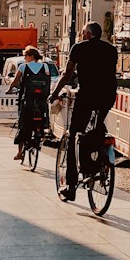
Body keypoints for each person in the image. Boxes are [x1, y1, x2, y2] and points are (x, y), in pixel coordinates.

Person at [51, 22, 118, 201]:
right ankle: (100, 158)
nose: (81, 36)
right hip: (108, 96)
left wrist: (55, 93)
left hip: (88, 95)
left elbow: (67, 74)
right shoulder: (111, 50)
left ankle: (71, 186)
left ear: (88, 34)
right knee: (97, 128)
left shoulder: (79, 48)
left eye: (83, 33)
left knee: (74, 135)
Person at [8, 46, 52, 161]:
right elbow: (48, 79)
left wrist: (9, 89)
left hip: (27, 99)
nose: (25, 58)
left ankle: (19, 152)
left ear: (31, 56)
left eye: (26, 56)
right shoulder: (45, 66)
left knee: (22, 125)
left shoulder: (23, 67)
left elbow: (15, 81)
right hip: (41, 100)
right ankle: (40, 132)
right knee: (42, 118)